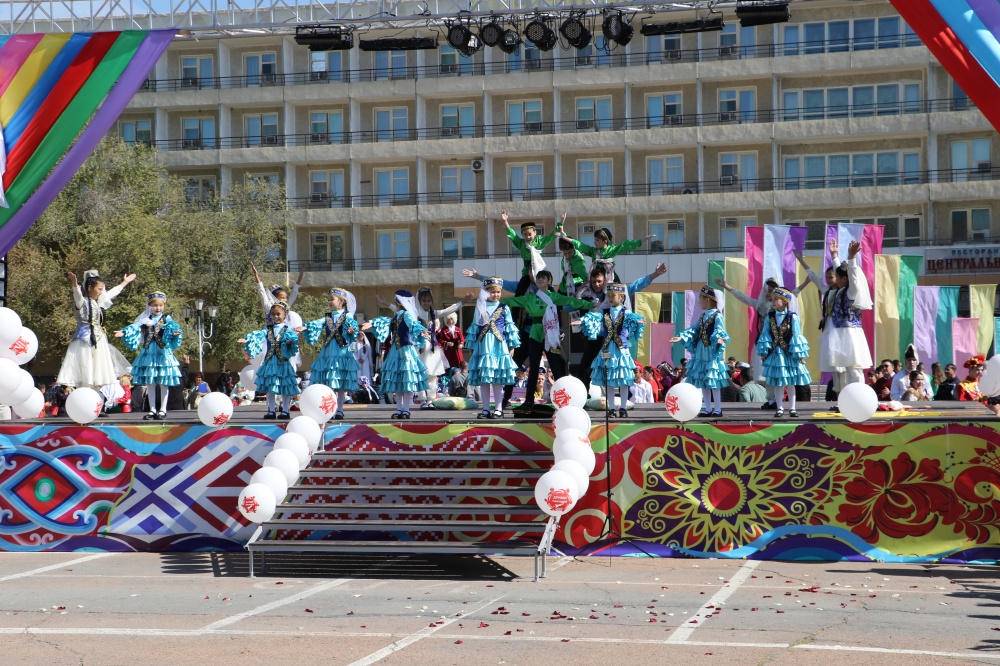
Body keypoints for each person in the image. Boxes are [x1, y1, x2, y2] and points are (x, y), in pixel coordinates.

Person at [501, 269, 594, 415]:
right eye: (538, 278)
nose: (540, 280)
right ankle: (529, 400)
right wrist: (493, 301)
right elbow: (512, 301)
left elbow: (571, 301)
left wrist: (590, 304)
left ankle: (563, 400)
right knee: (533, 369)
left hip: (550, 334)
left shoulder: (554, 296)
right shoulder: (530, 297)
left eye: (544, 278)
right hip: (535, 333)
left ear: (549, 281)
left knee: (556, 368)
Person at [575, 262, 667, 391]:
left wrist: (655, 274)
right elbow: (570, 305)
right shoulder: (586, 295)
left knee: (621, 368)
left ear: (605, 281)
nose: (597, 284)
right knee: (584, 367)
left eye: (600, 281)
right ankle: (585, 395)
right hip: (597, 339)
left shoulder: (615, 292)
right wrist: (578, 294)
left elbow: (635, 285)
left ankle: (626, 397)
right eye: (594, 281)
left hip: (614, 340)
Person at [56, 269, 136, 390]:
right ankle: (85, 398)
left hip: (99, 341)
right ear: (89, 287)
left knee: (97, 374)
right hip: (84, 340)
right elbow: (77, 295)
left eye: (101, 289)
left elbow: (111, 293)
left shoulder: (97, 303)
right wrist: (75, 285)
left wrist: (124, 283)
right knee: (86, 370)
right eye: (99, 289)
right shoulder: (82, 302)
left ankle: (95, 401)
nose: (101, 292)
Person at [579, 282, 647, 418]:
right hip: (606, 350)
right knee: (608, 379)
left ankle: (622, 407)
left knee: (623, 379)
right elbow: (593, 317)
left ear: (622, 296)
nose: (610, 298)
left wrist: (637, 322)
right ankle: (611, 408)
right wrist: (582, 321)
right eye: (608, 295)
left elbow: (632, 319)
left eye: (613, 295)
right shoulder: (604, 312)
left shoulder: (626, 312)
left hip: (621, 351)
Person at [115, 291, 183, 421]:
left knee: (164, 383)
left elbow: (171, 327)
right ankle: (152, 410)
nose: (158, 308)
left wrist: (175, 333)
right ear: (149, 306)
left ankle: (162, 409)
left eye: (160, 305)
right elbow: (134, 328)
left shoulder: (166, 318)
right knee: (150, 383)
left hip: (162, 353)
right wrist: (124, 333)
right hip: (149, 354)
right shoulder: (145, 320)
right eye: (155, 305)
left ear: (164, 306)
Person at [304, 288, 365, 421]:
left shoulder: (347, 315)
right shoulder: (327, 317)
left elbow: (352, 324)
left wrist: (351, 329)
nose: (329, 302)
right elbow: (318, 323)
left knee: (341, 382)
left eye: (332, 299)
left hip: (342, 352)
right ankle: (330, 409)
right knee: (329, 381)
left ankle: (340, 409)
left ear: (341, 301)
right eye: (329, 299)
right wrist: (306, 327)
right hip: (329, 352)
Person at [820, 240, 872, 395]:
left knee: (854, 369)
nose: (835, 278)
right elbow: (842, 272)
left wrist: (852, 257)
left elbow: (853, 277)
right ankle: (850, 397)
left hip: (850, 334)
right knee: (848, 370)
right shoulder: (841, 290)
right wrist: (834, 256)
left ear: (844, 279)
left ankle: (859, 396)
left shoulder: (851, 291)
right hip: (842, 334)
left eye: (838, 276)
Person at [370, 290, 432, 419]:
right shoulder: (396, 316)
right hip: (395, 351)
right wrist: (372, 323)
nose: (394, 303)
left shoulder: (407, 315)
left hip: (405, 351)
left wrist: (421, 331)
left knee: (406, 379)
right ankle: (399, 410)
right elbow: (387, 322)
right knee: (398, 381)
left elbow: (413, 324)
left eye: (395, 300)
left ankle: (406, 410)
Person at [465, 277, 521, 419]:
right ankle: (485, 409)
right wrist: (471, 348)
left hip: (498, 346)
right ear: (485, 292)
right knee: (484, 379)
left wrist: (512, 345)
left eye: (498, 292)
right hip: (483, 347)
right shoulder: (480, 307)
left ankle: (498, 409)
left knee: (497, 379)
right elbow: (474, 328)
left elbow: (509, 327)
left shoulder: (504, 307)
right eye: (492, 292)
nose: (496, 294)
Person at [671, 285, 730, 417]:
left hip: (711, 351)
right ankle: (708, 408)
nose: (699, 302)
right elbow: (695, 329)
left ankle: (718, 409)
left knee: (713, 380)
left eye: (700, 299)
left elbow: (720, 330)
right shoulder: (702, 315)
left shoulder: (717, 316)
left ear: (708, 300)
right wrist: (681, 336)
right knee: (704, 379)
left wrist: (720, 339)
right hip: (701, 351)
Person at [239, 301, 303, 419]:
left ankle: (285, 411)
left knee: (284, 386)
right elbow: (258, 335)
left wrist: (289, 342)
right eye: (273, 314)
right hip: (270, 362)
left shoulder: (287, 329)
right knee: (270, 387)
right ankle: (271, 410)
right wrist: (249, 339)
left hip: (283, 362)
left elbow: (292, 339)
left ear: (285, 315)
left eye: (278, 314)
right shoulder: (268, 329)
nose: (275, 316)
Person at [754, 287, 811, 418]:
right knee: (777, 382)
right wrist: (764, 351)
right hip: (776, 353)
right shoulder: (770, 317)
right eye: (772, 300)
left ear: (785, 301)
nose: (773, 302)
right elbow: (766, 333)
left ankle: (792, 408)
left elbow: (797, 334)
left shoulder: (792, 317)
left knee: (790, 381)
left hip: (789, 353)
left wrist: (800, 353)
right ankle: (779, 407)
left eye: (776, 299)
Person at [558, 226, 654, 281]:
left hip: (610, 279)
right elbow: (579, 244)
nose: (594, 242)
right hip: (597, 280)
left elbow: (625, 245)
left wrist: (642, 240)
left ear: (605, 241)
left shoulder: (611, 250)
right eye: (594, 240)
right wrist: (564, 237)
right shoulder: (593, 251)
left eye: (597, 240)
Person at [501, 209, 563, 277]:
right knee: (522, 286)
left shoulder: (539, 242)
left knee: (546, 284)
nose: (528, 237)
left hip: (539, 271)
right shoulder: (521, 243)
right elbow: (512, 234)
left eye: (530, 234)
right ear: (522, 235)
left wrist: (561, 223)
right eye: (525, 235)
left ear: (535, 233)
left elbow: (551, 236)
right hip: (526, 273)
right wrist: (505, 221)